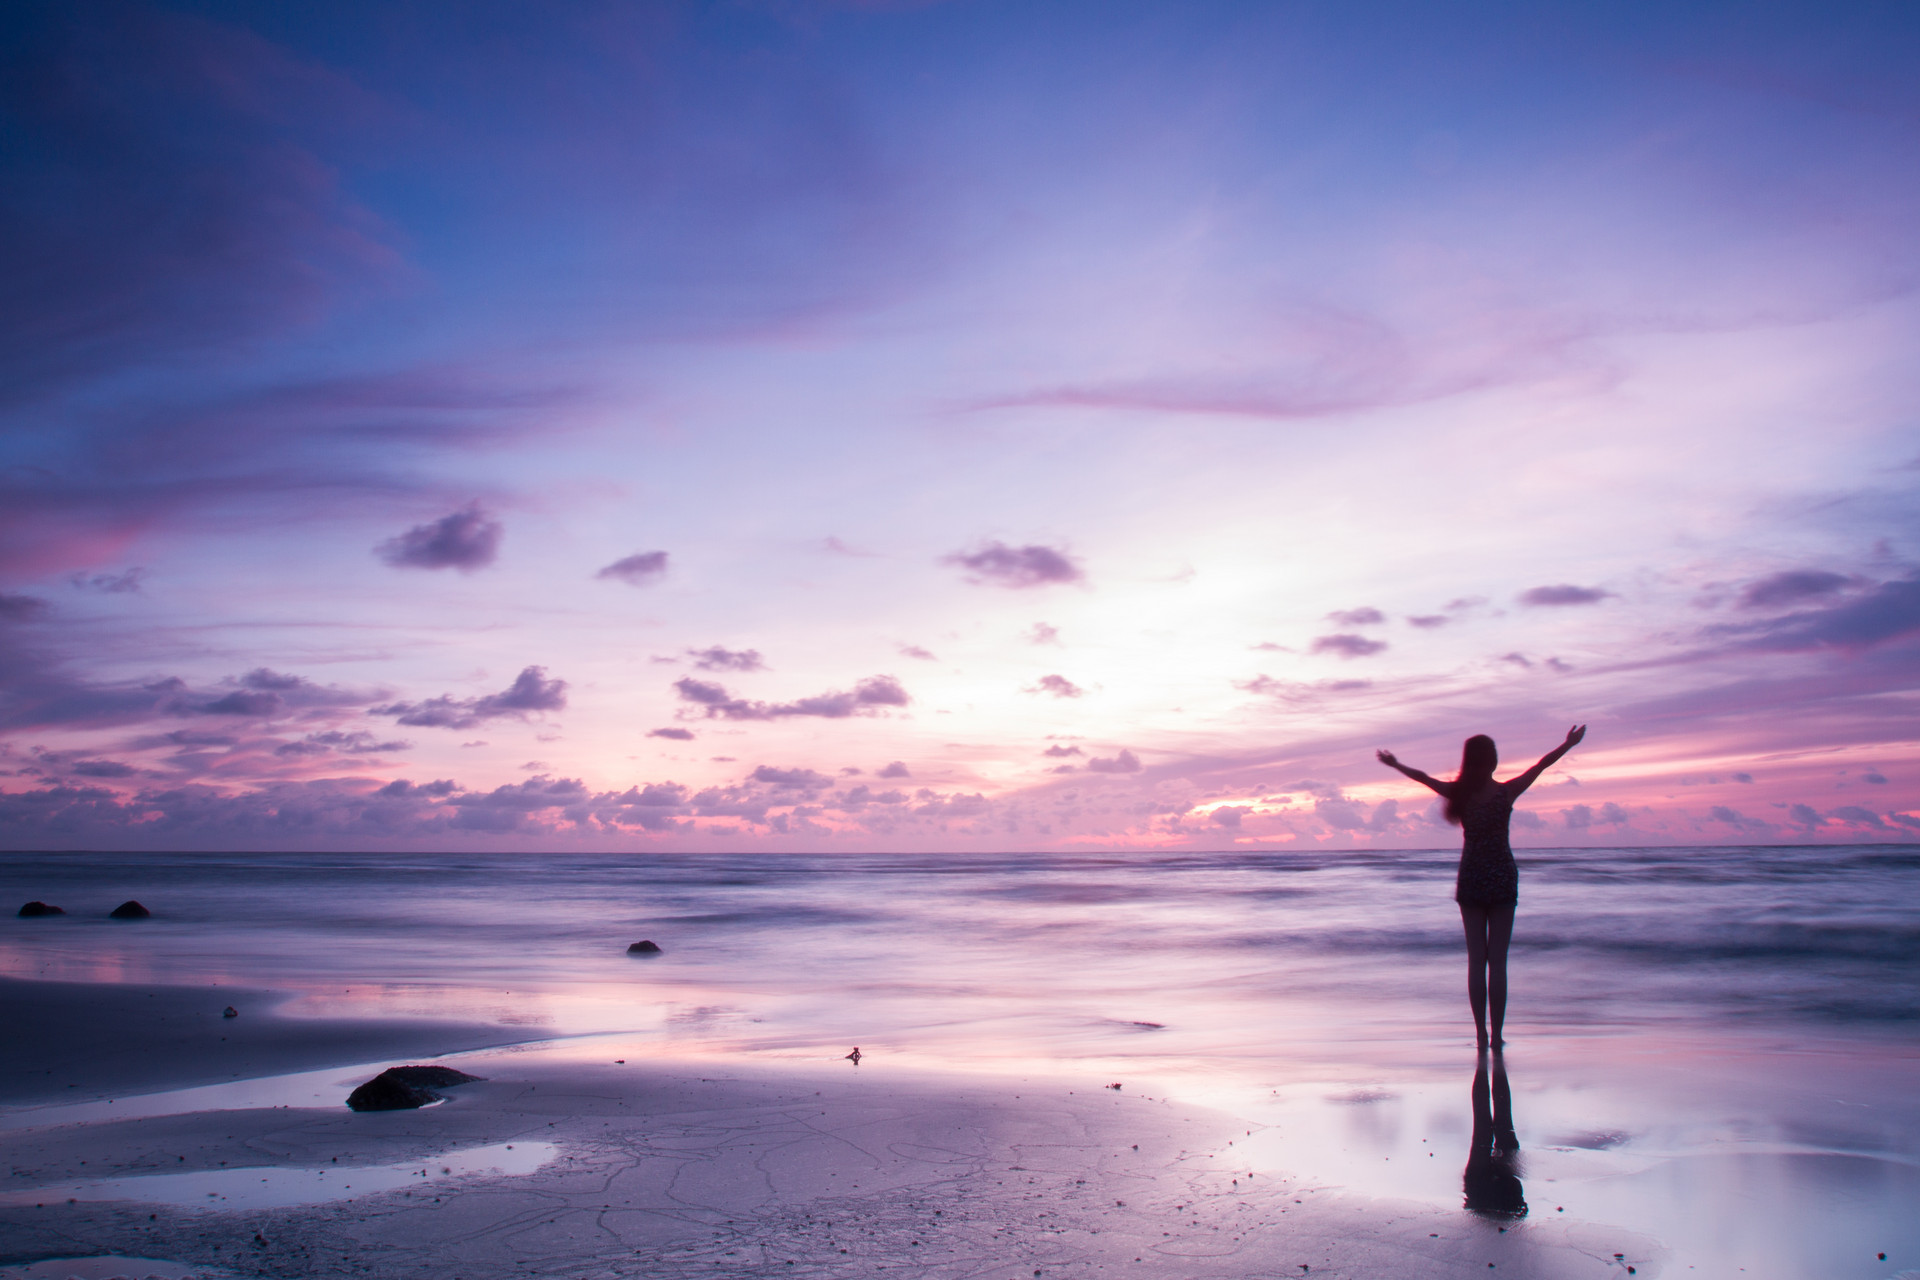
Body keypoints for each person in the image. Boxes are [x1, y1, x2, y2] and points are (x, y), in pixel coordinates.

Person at [1376, 725, 1586, 1049]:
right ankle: (1497, 1036)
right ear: (1493, 762)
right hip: (1502, 876)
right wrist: (1568, 744)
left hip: (1473, 877)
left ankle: (1480, 1035)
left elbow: (1423, 777)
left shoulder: (1460, 795)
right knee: (1498, 961)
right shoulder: (1506, 792)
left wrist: (1395, 765)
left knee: (1477, 960)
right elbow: (1541, 765)